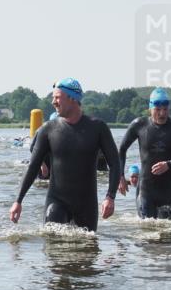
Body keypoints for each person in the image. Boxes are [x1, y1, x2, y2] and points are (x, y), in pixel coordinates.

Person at [10, 78, 120, 232]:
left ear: (72, 99)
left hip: (86, 204)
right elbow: (33, 166)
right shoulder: (47, 129)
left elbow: (115, 163)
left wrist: (110, 197)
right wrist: (18, 201)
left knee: (87, 252)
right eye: (53, 98)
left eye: (57, 97)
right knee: (53, 248)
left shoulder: (97, 128)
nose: (53, 102)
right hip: (57, 201)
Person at [117, 88, 171, 219]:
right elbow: (121, 150)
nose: (162, 114)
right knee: (147, 233)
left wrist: (169, 164)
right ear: (150, 108)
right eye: (158, 110)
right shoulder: (139, 125)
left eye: (165, 109)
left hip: (169, 191)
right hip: (146, 191)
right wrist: (120, 177)